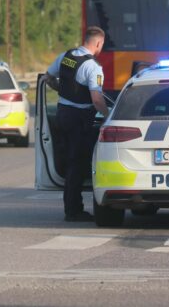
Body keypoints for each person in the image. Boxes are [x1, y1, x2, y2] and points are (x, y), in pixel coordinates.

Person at [44, 26, 110, 222]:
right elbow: (97, 99)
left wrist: (63, 91)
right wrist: (109, 116)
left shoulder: (67, 57)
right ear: (98, 43)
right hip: (79, 119)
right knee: (78, 164)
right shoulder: (93, 67)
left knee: (71, 162)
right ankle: (73, 210)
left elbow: (48, 78)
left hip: (63, 114)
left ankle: (71, 207)